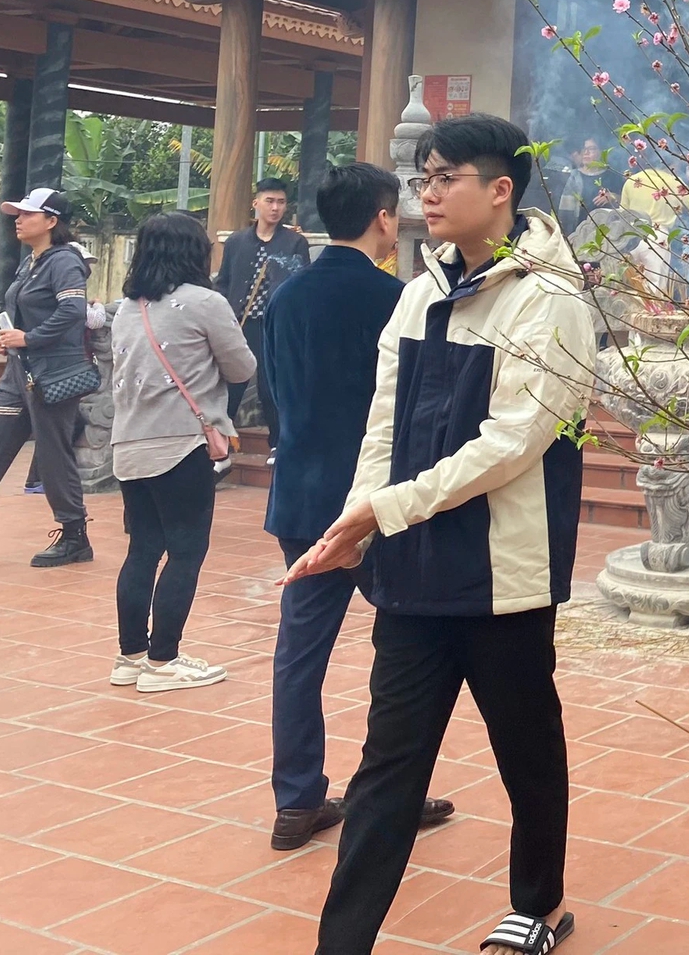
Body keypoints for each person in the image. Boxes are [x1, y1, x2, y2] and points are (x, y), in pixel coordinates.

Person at [285, 116, 596, 955]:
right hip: (413, 576)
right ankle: (340, 943)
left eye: (444, 177)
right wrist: (360, 517)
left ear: (501, 191)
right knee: (386, 769)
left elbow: (512, 443)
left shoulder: (554, 303)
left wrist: (385, 511)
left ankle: (537, 905)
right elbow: (382, 425)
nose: (425, 193)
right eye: (422, 177)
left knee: (526, 750)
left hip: (502, 578)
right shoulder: (418, 295)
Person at [260, 163, 457, 852]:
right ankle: (392, 792)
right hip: (382, 500)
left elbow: (274, 395)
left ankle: (295, 798)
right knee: (405, 654)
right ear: (382, 218)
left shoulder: (284, 298)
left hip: (305, 493)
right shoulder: (399, 298)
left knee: (300, 649)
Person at [108, 212, 255, 694]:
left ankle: (130, 656)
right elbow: (241, 368)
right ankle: (163, 661)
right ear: (194, 252)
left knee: (143, 549)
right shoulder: (205, 302)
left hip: (128, 445)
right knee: (187, 550)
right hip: (180, 445)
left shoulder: (127, 309)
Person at [0, 188, 97, 567]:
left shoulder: (64, 261)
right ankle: (73, 534)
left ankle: (74, 535)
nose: (18, 219)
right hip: (20, 373)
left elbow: (73, 309)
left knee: (53, 454)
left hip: (52, 375)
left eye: (27, 214)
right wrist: (13, 337)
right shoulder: (31, 261)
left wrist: (30, 338)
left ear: (52, 221)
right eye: (17, 214)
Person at [213, 177, 311, 460]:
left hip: (274, 325)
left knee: (272, 386)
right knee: (231, 385)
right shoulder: (236, 242)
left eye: (281, 202)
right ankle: (218, 445)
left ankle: (278, 443)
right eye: (269, 201)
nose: (275, 207)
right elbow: (224, 281)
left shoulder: (294, 242)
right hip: (240, 324)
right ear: (256, 203)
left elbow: (300, 281)